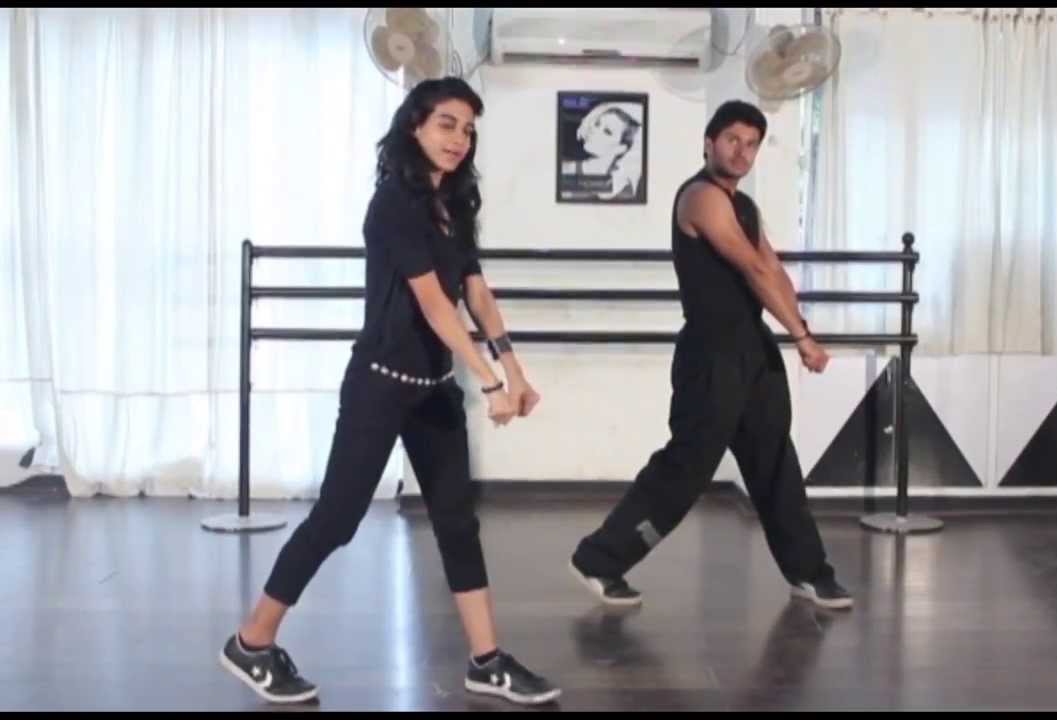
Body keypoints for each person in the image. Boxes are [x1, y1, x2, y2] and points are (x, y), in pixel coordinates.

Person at [218, 77, 561, 706]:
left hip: (433, 390)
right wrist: (489, 379)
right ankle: (251, 640)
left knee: (457, 523)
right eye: (446, 124)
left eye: (468, 129)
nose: (459, 139)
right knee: (337, 519)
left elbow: (475, 291)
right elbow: (433, 305)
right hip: (379, 386)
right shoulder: (393, 205)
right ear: (414, 126)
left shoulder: (454, 203)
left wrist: (514, 369)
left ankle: (486, 661)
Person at [569, 99, 853, 611]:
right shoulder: (700, 197)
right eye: (732, 140)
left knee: (774, 461)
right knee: (688, 465)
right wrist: (802, 339)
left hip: (753, 349)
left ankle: (809, 572)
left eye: (752, 144)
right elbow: (752, 269)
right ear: (709, 143)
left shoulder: (745, 207)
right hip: (710, 352)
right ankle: (599, 559)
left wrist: (799, 329)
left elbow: (773, 268)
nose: (742, 152)